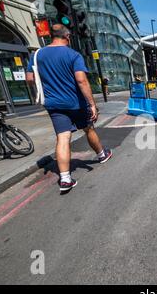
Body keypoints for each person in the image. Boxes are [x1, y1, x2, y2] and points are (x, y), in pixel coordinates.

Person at [26, 24, 112, 193]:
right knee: (88, 129)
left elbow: (30, 79)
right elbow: (81, 81)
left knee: (63, 138)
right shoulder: (73, 55)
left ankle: (65, 179)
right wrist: (92, 104)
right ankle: (102, 155)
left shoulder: (37, 55)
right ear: (68, 36)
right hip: (76, 103)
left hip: (53, 104)